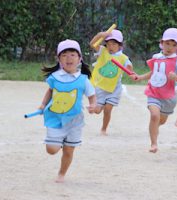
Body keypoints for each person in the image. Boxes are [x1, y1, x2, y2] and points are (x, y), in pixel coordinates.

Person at [38, 39, 96, 183]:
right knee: (51, 150)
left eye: (72, 54)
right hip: (56, 119)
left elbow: (92, 95)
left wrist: (93, 105)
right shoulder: (55, 77)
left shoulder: (83, 80)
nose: (69, 58)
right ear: (59, 59)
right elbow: (50, 91)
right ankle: (58, 140)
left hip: (74, 122)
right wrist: (43, 104)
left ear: (79, 59)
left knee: (69, 150)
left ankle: (61, 174)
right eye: (64, 55)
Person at [130, 28, 177, 153]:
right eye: (167, 43)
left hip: (169, 97)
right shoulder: (156, 57)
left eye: (174, 45)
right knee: (154, 116)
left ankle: (153, 128)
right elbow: (153, 72)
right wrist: (140, 77)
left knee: (162, 120)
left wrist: (175, 77)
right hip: (153, 92)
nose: (170, 47)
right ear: (162, 42)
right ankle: (154, 144)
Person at [89, 29, 133, 136]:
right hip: (100, 87)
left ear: (120, 45)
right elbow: (92, 44)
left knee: (108, 109)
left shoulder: (123, 58)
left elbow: (129, 67)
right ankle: (98, 105)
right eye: (108, 43)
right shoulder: (103, 51)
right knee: (97, 111)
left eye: (114, 44)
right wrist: (100, 35)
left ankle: (104, 129)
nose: (110, 46)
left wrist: (129, 69)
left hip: (114, 89)